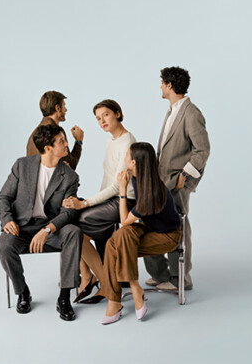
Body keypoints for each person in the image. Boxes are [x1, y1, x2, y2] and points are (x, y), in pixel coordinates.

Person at [0, 124, 83, 321]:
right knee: (4, 246)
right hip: (21, 227)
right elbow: (3, 198)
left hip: (52, 229)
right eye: (62, 141)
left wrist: (47, 230)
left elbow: (69, 212)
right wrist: (7, 220)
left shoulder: (70, 176)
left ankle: (64, 297)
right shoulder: (22, 165)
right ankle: (23, 292)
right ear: (48, 148)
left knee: (73, 232)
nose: (67, 144)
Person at [95, 142, 183, 325]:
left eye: (127, 155)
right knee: (119, 238)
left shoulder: (151, 192)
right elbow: (127, 224)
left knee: (114, 245)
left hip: (168, 236)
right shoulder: (138, 178)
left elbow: (124, 219)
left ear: (134, 162)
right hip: (150, 228)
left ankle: (116, 301)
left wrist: (122, 188)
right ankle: (131, 290)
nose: (124, 158)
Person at [61, 100, 136, 303]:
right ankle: (103, 279)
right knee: (81, 225)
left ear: (117, 114)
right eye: (98, 118)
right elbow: (107, 179)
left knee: (77, 225)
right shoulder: (111, 140)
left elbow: (116, 186)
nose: (102, 120)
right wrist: (95, 202)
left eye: (106, 115)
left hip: (126, 199)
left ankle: (96, 280)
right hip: (111, 198)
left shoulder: (127, 142)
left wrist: (86, 204)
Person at [143, 66, 210, 292]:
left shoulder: (191, 113)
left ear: (169, 85)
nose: (160, 87)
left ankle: (181, 278)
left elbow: (202, 150)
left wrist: (184, 176)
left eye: (162, 83)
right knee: (152, 222)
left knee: (178, 227)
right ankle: (161, 274)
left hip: (176, 183)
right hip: (162, 181)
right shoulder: (172, 110)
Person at [27, 90, 85, 170]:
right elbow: (70, 167)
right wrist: (78, 141)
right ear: (58, 108)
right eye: (64, 106)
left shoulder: (34, 134)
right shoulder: (56, 132)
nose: (66, 109)